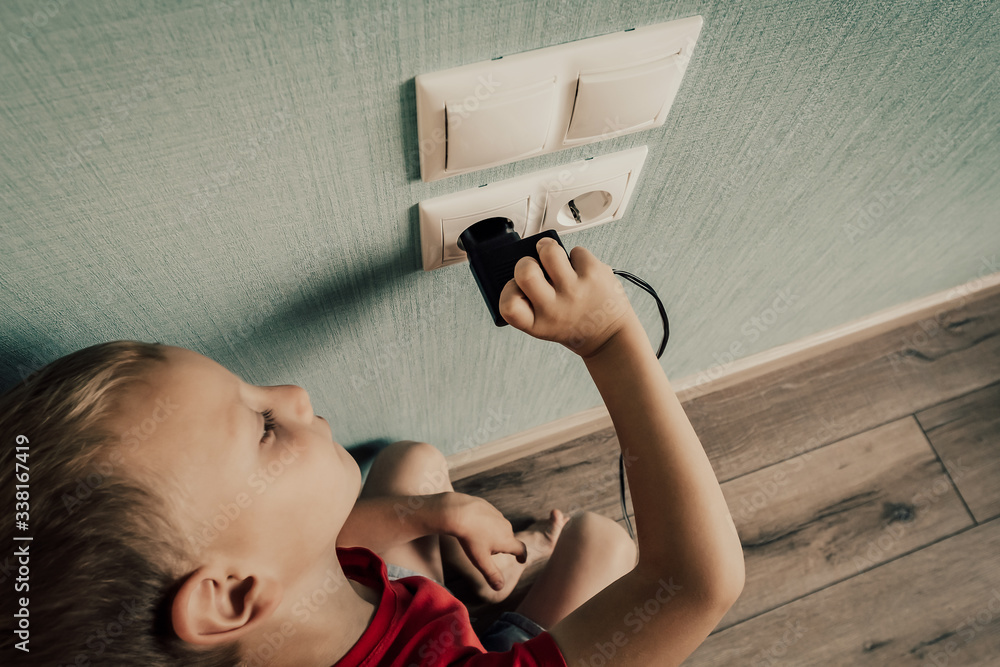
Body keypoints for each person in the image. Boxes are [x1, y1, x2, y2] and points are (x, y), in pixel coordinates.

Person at [0, 239, 744, 666]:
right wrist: (610, 341)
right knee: (602, 540)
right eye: (262, 426)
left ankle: (486, 572)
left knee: (412, 463)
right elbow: (691, 582)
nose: (293, 393)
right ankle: (519, 583)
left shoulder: (260, 602)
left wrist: (434, 511)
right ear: (228, 596)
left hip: (395, 617)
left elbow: (313, 550)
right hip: (466, 651)